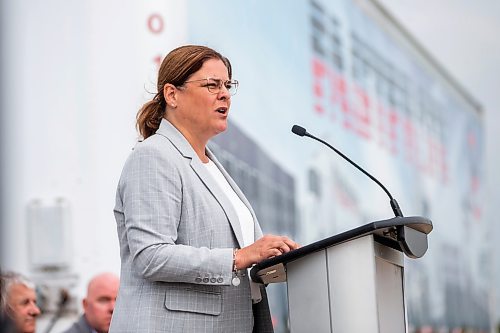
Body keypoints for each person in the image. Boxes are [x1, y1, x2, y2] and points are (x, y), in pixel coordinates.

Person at [109, 45, 299, 333]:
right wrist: (239, 256)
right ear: (172, 94)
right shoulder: (154, 156)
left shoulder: (213, 166)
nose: (224, 94)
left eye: (227, 85)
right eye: (212, 85)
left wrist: (272, 257)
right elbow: (151, 255)